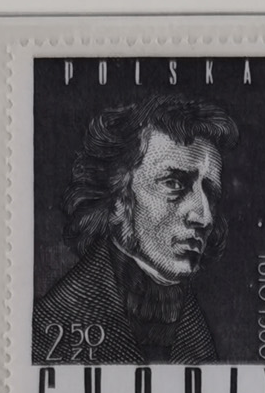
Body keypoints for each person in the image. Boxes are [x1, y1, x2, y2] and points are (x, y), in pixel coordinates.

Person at [33, 92, 240, 364]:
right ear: (117, 197)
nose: (204, 217)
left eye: (210, 193)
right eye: (174, 184)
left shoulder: (197, 333)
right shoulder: (47, 328)